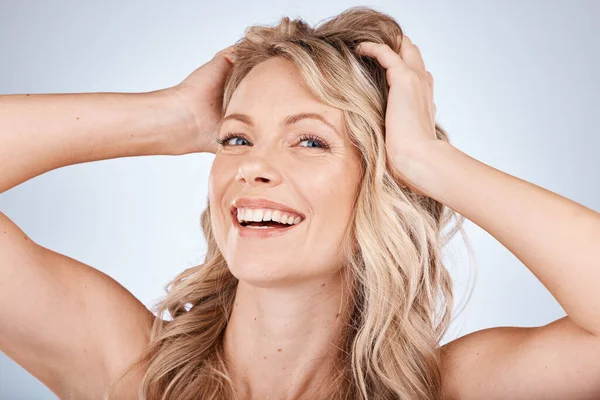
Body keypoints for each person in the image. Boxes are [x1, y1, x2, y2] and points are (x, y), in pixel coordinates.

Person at [1, 5, 599, 400]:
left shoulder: (450, 389)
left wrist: (429, 163)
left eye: (310, 141)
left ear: (382, 182)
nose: (254, 166)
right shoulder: (132, 373)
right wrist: (168, 117)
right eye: (237, 139)